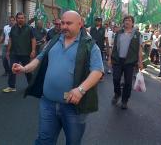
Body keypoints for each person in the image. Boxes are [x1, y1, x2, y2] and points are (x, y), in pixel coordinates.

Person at [11, 10, 104, 144]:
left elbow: (97, 71)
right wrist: (24, 68)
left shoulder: (90, 45)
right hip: (47, 102)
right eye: (63, 23)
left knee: (73, 142)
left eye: (69, 23)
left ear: (80, 24)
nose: (64, 26)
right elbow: (39, 58)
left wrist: (80, 90)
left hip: (73, 107)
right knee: (44, 141)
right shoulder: (54, 40)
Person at [108, 15, 143, 109]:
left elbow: (140, 49)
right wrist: (110, 59)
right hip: (118, 60)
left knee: (128, 82)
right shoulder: (118, 33)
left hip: (130, 61)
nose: (127, 22)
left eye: (129, 20)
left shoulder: (137, 34)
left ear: (132, 23)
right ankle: (117, 94)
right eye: (125, 20)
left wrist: (140, 62)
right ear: (123, 22)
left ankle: (124, 100)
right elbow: (113, 46)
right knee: (116, 79)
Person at [2, 12, 36, 93]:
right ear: (16, 19)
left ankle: (31, 86)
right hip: (14, 53)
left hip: (25, 53)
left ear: (24, 19)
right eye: (19, 18)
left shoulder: (29, 28)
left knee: (27, 71)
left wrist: (33, 50)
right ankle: (11, 86)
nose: (20, 19)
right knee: (12, 69)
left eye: (22, 18)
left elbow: (33, 40)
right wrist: (8, 51)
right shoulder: (13, 28)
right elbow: (10, 39)